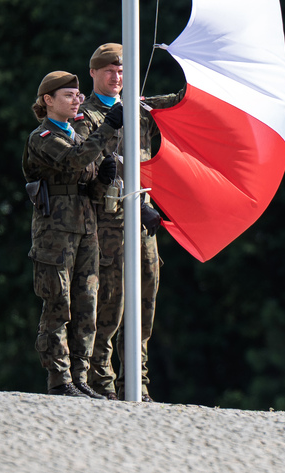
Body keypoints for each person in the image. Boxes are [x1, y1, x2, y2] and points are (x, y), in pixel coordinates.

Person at [73, 43, 184, 402]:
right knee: (110, 307)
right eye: (109, 71)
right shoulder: (83, 116)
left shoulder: (139, 110)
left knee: (146, 305)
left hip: (144, 226)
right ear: (93, 73)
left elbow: (183, 103)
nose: (116, 77)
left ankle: (137, 384)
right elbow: (88, 164)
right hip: (108, 228)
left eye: (121, 71)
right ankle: (102, 383)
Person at [22, 71, 123, 397]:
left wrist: (103, 179)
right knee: (58, 304)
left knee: (86, 306)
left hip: (86, 231)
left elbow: (89, 185)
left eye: (78, 95)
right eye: (68, 95)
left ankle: (80, 379)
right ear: (48, 101)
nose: (77, 99)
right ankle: (60, 379)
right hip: (56, 235)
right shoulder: (42, 137)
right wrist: (108, 128)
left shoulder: (78, 138)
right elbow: (70, 162)